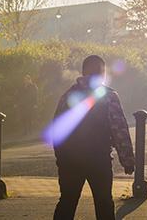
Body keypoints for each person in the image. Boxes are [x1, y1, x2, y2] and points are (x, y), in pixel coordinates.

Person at [52, 55, 135, 220]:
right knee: (103, 203)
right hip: (99, 159)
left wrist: (61, 157)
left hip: (70, 160)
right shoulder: (109, 96)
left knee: (67, 202)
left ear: (83, 72)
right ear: (102, 73)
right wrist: (127, 160)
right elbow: (119, 130)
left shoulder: (68, 95)